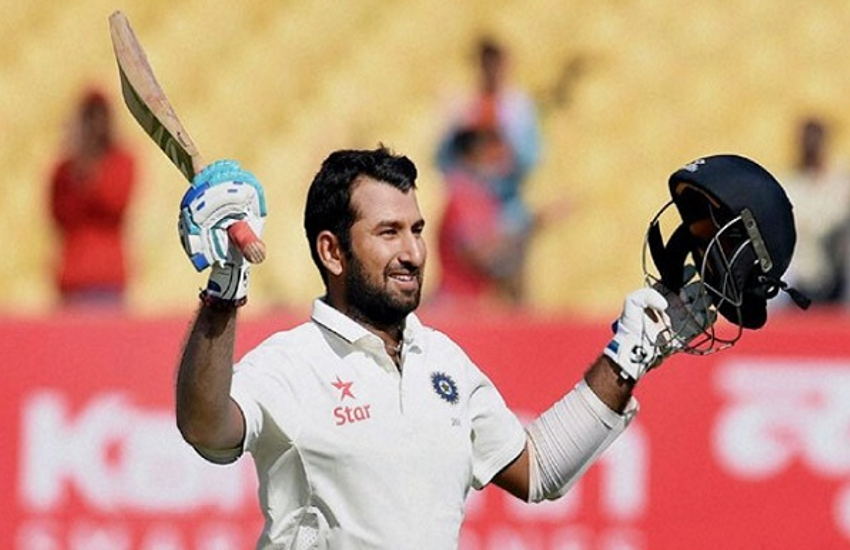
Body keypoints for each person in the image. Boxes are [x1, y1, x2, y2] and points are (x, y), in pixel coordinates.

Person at [174, 149, 799, 549]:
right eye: (388, 232)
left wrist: (630, 357)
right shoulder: (291, 362)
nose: (412, 252)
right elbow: (206, 427)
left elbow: (538, 469)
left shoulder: (443, 361)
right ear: (332, 251)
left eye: (417, 230)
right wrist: (226, 288)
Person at [435, 37, 542, 304]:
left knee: (513, 279)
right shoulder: (465, 105)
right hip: (473, 205)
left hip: (507, 206)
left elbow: (530, 157)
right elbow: (445, 155)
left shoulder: (518, 107)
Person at [433, 127, 567, 310]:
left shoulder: (482, 197)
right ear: (475, 154)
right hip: (459, 306)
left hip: (474, 305)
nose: (503, 164)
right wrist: (530, 225)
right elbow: (481, 256)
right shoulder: (465, 198)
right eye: (495, 156)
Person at [48, 88, 136, 309]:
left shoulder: (122, 162)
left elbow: (114, 203)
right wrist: (77, 165)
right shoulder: (64, 170)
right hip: (73, 275)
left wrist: (89, 170)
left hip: (107, 276)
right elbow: (59, 215)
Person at [780, 117, 850, 305]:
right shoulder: (790, 185)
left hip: (836, 277)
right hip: (799, 279)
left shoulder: (841, 183)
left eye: (815, 140)